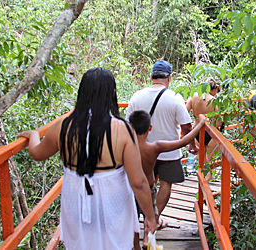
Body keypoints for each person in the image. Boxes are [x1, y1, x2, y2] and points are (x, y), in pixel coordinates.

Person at [17, 68, 157, 249]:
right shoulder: (122, 130)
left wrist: (34, 134)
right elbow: (138, 182)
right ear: (112, 94)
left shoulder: (63, 126)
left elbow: (36, 153)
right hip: (112, 204)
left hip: (76, 202)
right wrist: (150, 217)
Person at [125, 60, 196, 230]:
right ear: (169, 78)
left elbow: (127, 125)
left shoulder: (136, 96)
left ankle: (142, 219)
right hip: (168, 152)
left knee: (144, 184)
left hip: (141, 152)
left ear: (151, 77)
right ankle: (154, 220)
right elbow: (186, 127)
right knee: (165, 184)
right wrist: (191, 145)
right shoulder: (175, 98)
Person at [128, 111, 205, 249]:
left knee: (132, 218)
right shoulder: (154, 147)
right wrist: (200, 125)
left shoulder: (125, 147)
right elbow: (184, 141)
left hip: (130, 188)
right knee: (150, 216)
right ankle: (147, 240)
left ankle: (135, 246)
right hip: (148, 188)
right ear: (150, 128)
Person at [185, 78, 224, 163]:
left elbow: (184, 113)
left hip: (196, 131)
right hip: (211, 132)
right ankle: (208, 176)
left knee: (201, 160)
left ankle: (201, 175)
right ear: (215, 89)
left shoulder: (193, 97)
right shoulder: (214, 100)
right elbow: (219, 121)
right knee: (209, 162)